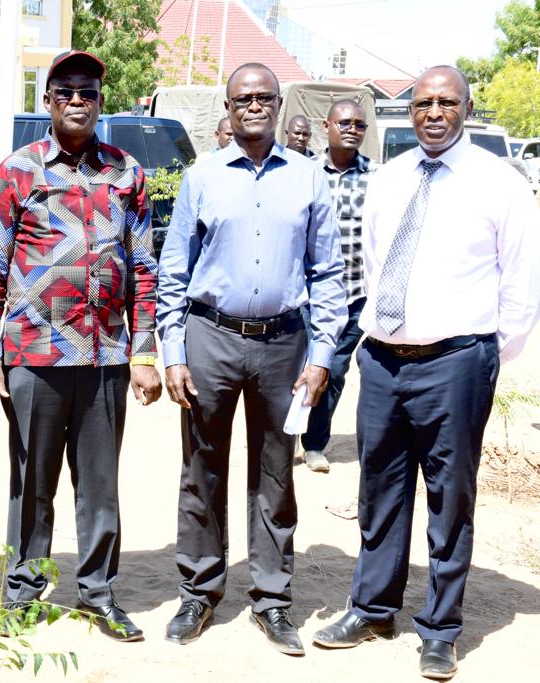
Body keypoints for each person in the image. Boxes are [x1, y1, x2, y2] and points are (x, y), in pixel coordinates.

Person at [312, 66, 540, 680]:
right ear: (410, 111)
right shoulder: (388, 178)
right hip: (383, 360)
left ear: (467, 107)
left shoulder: (501, 184)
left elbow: (521, 286)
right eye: (423, 103)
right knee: (378, 493)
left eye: (446, 102)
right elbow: (373, 263)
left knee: (450, 497)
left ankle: (439, 629)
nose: (434, 112)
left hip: (457, 363)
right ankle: (373, 608)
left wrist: (484, 357)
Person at [0, 50, 162, 642]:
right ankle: (23, 593)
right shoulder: (18, 171)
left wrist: (146, 353)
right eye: (67, 91)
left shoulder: (126, 172)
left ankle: (99, 594)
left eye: (89, 92)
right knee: (31, 485)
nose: (78, 100)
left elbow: (145, 270)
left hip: (106, 357)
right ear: (48, 100)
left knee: (100, 487)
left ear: (101, 103)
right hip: (34, 356)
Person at [156, 63, 345, 655]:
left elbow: (330, 273)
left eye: (265, 97)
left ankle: (271, 599)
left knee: (275, 471)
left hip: (284, 343)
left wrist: (321, 356)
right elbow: (172, 270)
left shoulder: (309, 178)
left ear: (281, 102)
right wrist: (173, 350)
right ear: (229, 108)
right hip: (210, 337)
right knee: (201, 467)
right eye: (244, 99)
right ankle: (200, 591)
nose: (255, 106)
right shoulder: (203, 177)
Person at [300, 99, 378, 473]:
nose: (352, 129)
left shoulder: (377, 178)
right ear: (326, 124)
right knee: (296, 368)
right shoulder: (305, 172)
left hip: (354, 295)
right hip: (305, 293)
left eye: (360, 125)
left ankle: (315, 443)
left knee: (333, 370)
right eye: (345, 122)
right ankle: (282, 440)